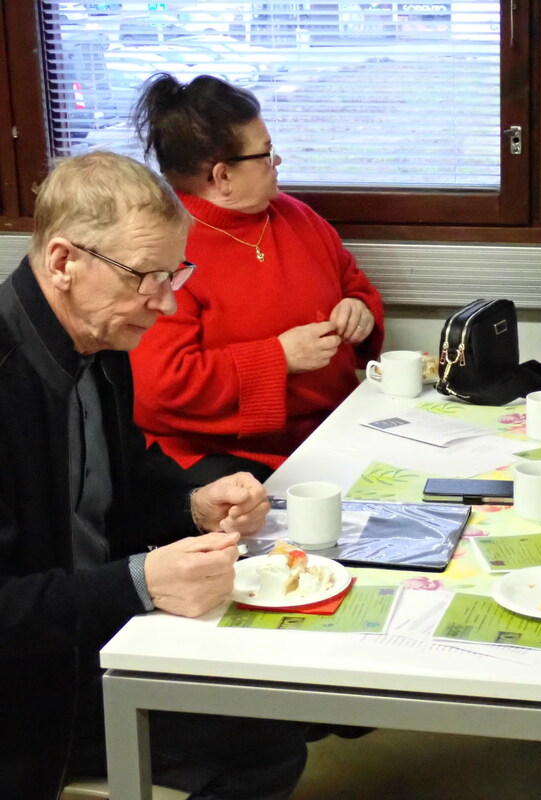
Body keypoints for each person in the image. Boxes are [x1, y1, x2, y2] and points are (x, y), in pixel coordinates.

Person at [0, 151, 310, 800]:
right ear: (63, 262)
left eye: (173, 275)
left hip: (91, 630)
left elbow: (122, 482)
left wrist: (192, 504)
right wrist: (139, 582)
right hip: (28, 688)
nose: (165, 303)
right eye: (145, 277)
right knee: (266, 742)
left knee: (289, 686)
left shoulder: (99, 339)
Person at [129, 72, 385, 485]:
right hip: (227, 459)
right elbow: (162, 388)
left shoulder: (298, 218)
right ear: (222, 176)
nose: (276, 162)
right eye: (265, 153)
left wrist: (359, 310)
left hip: (333, 431)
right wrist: (279, 358)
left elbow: (354, 285)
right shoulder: (164, 252)